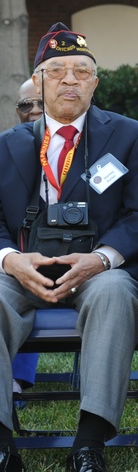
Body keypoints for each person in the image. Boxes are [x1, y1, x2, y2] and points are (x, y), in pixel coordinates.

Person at [0, 23, 138, 472]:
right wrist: (10, 260)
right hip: (25, 267)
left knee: (114, 295)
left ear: (95, 83)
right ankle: (2, 447)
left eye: (81, 72)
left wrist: (102, 259)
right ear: (38, 81)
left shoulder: (131, 136)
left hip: (97, 268)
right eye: (57, 71)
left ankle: (89, 449)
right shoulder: (7, 145)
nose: (69, 80)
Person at [11, 81, 43, 400]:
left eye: (40, 104)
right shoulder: (8, 149)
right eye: (25, 105)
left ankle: (16, 377)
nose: (32, 111)